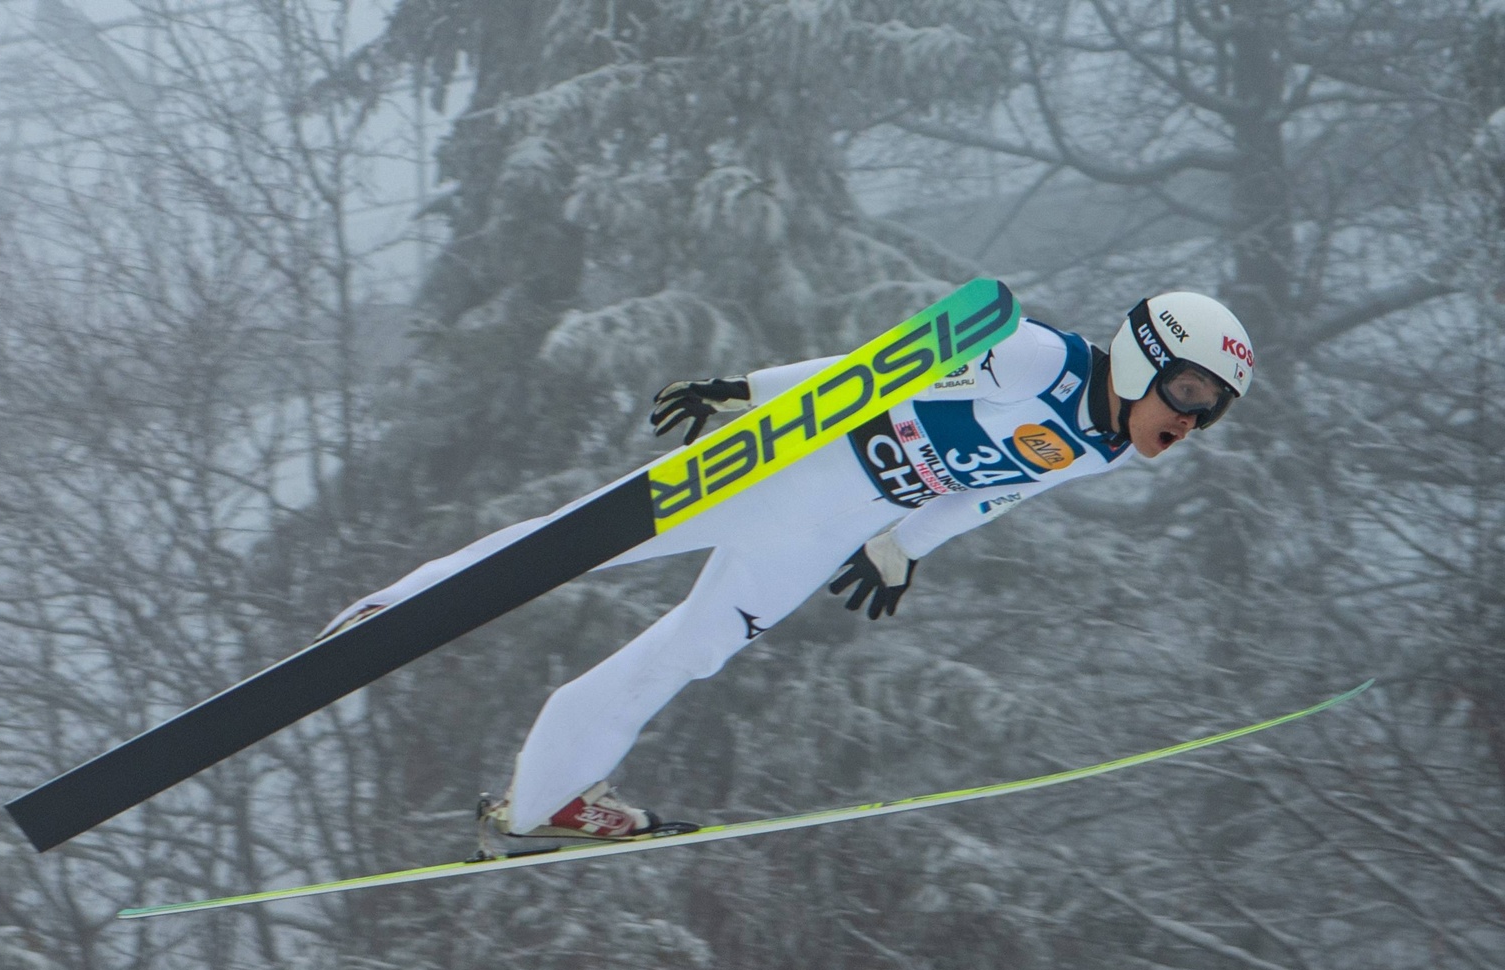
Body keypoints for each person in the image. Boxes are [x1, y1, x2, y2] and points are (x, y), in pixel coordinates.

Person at [321, 290, 1256, 853]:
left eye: (1210, 410)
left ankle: (542, 801)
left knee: (693, 651)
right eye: (1186, 391)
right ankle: (393, 609)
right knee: (573, 539)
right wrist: (750, 393)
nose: (1190, 419)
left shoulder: (1104, 447)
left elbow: (996, 491)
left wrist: (903, 549)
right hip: (790, 470)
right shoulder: (1036, 355)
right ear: (1144, 354)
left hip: (832, 526)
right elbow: (879, 367)